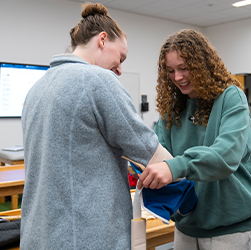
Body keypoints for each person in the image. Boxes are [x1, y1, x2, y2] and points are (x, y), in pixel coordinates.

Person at [21, 3, 169, 249]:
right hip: (87, 235)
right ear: (102, 40)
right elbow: (148, 151)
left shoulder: (37, 88)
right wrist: (184, 173)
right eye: (120, 58)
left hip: (40, 234)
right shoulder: (98, 80)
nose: (120, 69)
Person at [138, 29, 251, 250]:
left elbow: (225, 155)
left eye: (184, 68)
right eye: (170, 71)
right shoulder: (172, 107)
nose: (177, 77)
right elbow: (158, 152)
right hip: (186, 224)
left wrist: (175, 167)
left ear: (202, 64)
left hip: (230, 227)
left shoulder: (231, 97)